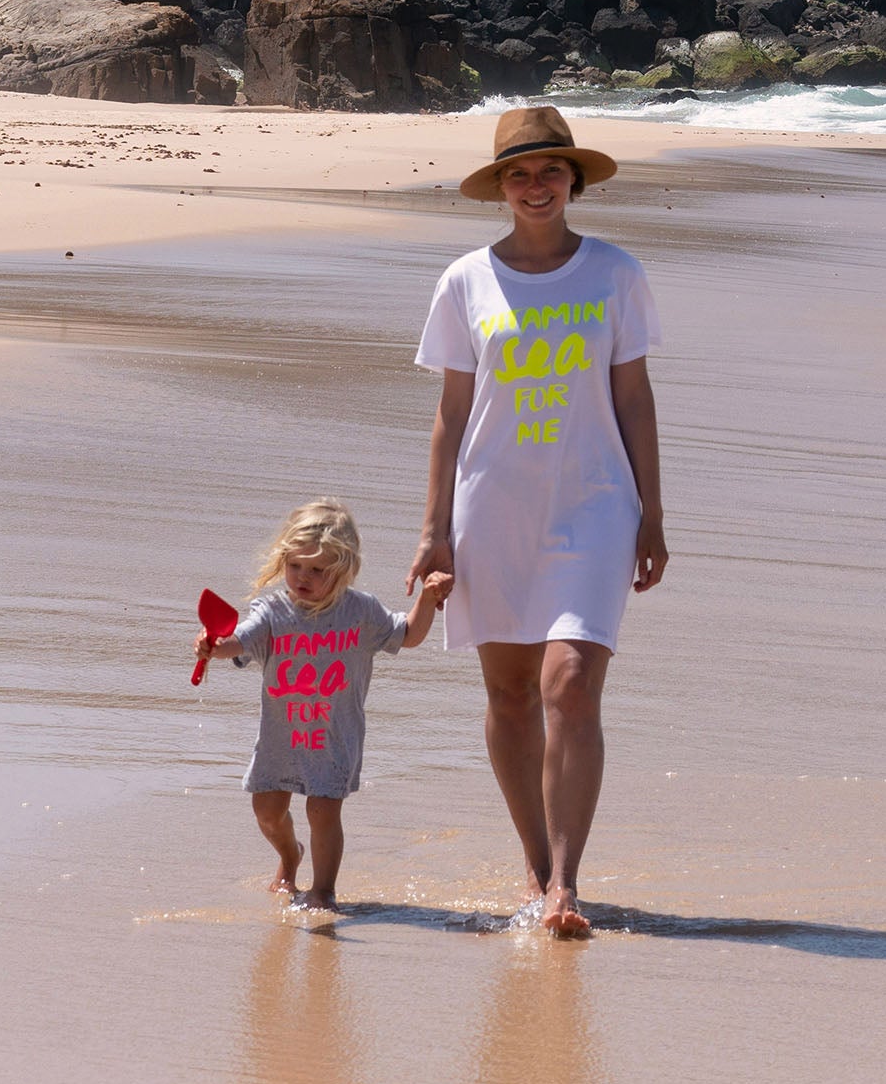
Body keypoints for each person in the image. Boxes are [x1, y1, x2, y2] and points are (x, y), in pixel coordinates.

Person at [410, 106, 667, 939]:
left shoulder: (615, 273)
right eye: (518, 174)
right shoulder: (465, 282)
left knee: (570, 683)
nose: (535, 186)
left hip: (595, 504)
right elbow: (451, 415)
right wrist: (433, 529)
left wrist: (653, 511)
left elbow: (633, 394)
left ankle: (566, 883)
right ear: (500, 189)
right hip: (495, 507)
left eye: (550, 170)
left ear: (574, 178)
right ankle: (533, 861)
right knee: (511, 693)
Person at [199, 496, 450, 912]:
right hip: (280, 737)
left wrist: (426, 600)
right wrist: (213, 645)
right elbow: (240, 641)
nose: (303, 577)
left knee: (322, 810)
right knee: (266, 809)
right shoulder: (273, 611)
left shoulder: (360, 612)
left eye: (318, 570)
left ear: (344, 569)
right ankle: (288, 856)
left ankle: (324, 890)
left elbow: (408, 635)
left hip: (334, 736)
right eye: (295, 566)